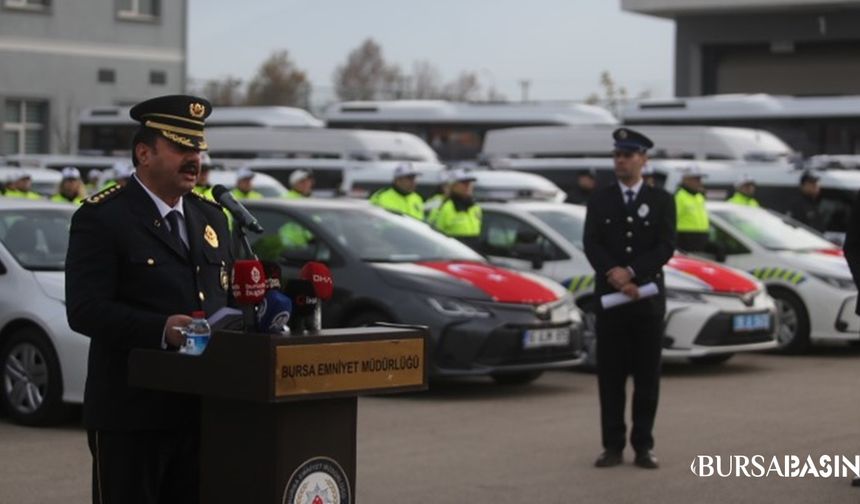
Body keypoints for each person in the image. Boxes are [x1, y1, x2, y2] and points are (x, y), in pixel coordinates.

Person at [65, 94, 233, 504]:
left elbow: (226, 296)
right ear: (144, 152)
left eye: (197, 148)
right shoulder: (103, 217)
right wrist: (162, 330)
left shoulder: (211, 217)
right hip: (131, 414)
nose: (194, 159)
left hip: (200, 411)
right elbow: (85, 309)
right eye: (180, 147)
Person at [583, 127, 675, 470]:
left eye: (627, 155)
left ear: (643, 160)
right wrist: (615, 276)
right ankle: (612, 446)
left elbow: (666, 246)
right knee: (611, 378)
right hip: (610, 300)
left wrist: (633, 272)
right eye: (617, 155)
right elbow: (592, 243)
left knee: (647, 379)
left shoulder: (662, 200)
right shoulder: (600, 199)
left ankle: (644, 446)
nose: (620, 160)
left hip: (647, 301)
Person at [429, 168, 482, 245]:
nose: (468, 186)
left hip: (472, 254)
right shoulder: (444, 207)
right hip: (453, 253)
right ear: (453, 185)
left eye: (470, 183)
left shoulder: (475, 207)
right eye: (463, 183)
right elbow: (434, 236)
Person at [674, 165, 710, 252]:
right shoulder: (679, 196)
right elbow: (672, 220)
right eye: (696, 179)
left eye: (700, 179)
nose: (700, 182)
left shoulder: (699, 197)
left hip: (701, 240)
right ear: (686, 180)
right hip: (685, 241)